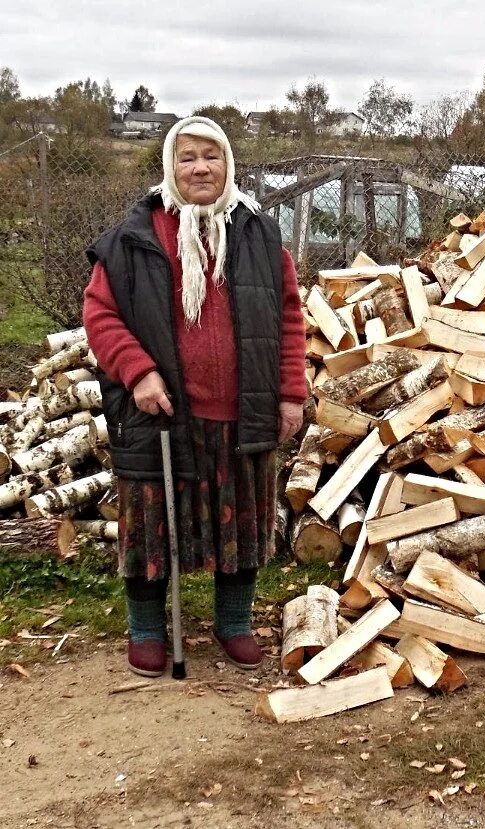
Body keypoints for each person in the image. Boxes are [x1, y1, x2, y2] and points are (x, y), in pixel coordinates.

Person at [83, 116, 307, 677]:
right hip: (162, 415)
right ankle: (147, 631)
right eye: (188, 157)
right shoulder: (132, 238)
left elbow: (288, 318)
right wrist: (137, 373)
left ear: (228, 163)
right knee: (152, 524)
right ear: (170, 166)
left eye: (211, 156)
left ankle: (233, 623)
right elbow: (100, 314)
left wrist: (290, 393)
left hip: (243, 411)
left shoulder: (259, 232)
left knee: (243, 523)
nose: (200, 167)